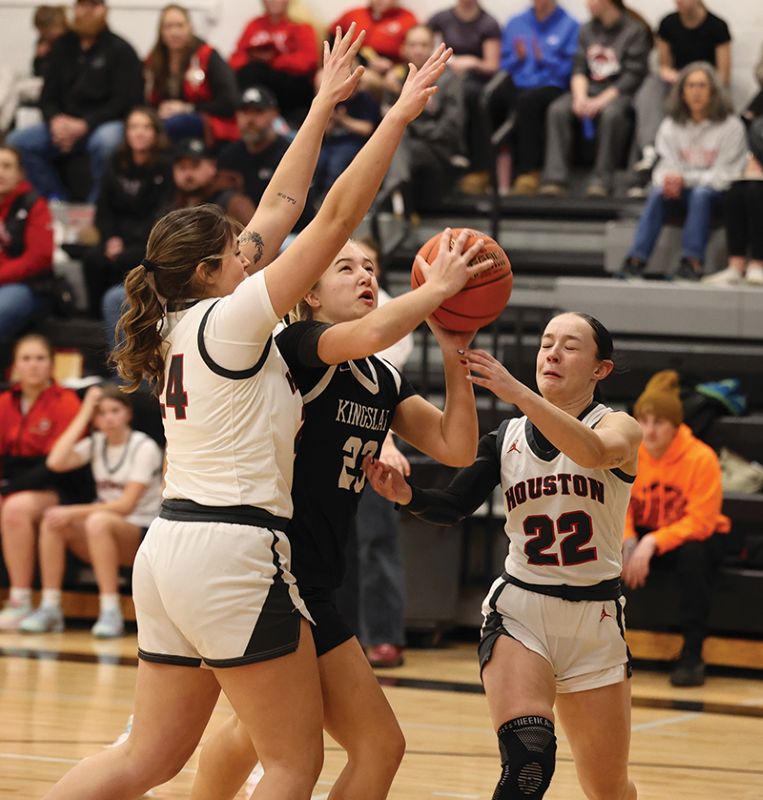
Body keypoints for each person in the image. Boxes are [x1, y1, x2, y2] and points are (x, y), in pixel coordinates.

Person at [40, 30, 453, 800]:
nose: (255, 254)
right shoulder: (230, 319)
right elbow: (327, 220)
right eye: (240, 253)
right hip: (232, 549)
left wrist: (323, 106)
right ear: (208, 272)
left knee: (146, 761)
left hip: (170, 550)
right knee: (293, 763)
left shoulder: (176, 322)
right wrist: (393, 118)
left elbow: (280, 204)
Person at [190, 229, 485, 800]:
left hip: (315, 580)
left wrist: (455, 350)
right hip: (270, 572)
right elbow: (375, 332)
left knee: (262, 734)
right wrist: (439, 290)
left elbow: (456, 447)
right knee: (354, 746)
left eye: (371, 266)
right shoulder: (299, 346)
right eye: (345, 268)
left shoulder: (381, 379)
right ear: (313, 294)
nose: (365, 275)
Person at [365, 311, 642, 800]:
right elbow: (452, 506)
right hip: (522, 610)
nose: (552, 353)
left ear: (601, 369)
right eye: (545, 342)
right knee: (527, 761)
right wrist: (408, 496)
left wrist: (519, 394)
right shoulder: (506, 439)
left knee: (609, 788)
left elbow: (593, 453)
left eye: (570, 346)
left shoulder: (620, 427)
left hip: (595, 619)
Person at [19, 383, 163, 638]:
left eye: (114, 410)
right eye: (101, 413)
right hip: (103, 534)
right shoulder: (96, 443)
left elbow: (125, 505)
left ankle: (111, 611)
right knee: (53, 521)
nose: (108, 418)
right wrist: (84, 412)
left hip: (142, 536)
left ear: (128, 413)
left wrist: (73, 512)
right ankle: (50, 607)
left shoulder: (144, 447)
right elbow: (55, 462)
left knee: (97, 520)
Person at [622, 370, 730, 687]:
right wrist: (628, 537)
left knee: (695, 555)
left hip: (693, 538)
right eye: (643, 420)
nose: (650, 430)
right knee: (605, 546)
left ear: (676, 425)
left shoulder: (701, 458)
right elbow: (619, 503)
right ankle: (604, 651)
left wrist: (653, 541)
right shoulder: (630, 453)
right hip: (645, 535)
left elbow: (702, 521)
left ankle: (692, 655)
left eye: (659, 422)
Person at [100, 135, 254, 350]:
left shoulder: (233, 202)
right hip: (178, 284)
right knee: (116, 298)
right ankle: (139, 377)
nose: (187, 173)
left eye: (194, 166)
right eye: (181, 167)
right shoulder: (169, 204)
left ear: (211, 167)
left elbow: (254, 251)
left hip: (217, 287)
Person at [619, 62, 746, 281]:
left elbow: (726, 175)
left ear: (713, 91)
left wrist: (684, 179)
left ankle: (692, 263)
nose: (696, 92)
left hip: (719, 197)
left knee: (701, 194)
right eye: (690, 86)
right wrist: (668, 180)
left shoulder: (731, 126)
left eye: (702, 86)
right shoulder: (671, 125)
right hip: (682, 192)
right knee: (658, 192)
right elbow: (663, 167)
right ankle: (635, 261)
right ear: (682, 92)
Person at [6, 0, 144, 203]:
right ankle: (54, 200)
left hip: (102, 124)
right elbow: (47, 96)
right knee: (17, 142)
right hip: (63, 123)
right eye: (82, 5)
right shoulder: (62, 47)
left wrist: (85, 124)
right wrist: (55, 120)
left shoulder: (121, 50)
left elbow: (124, 102)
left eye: (93, 5)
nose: (87, 11)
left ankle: (95, 207)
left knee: (107, 141)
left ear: (104, 10)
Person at [0, 334, 81, 632]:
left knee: (15, 508)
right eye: (26, 359)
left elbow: (55, 466)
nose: (33, 366)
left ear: (51, 364)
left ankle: (19, 600)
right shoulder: (6, 402)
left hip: (59, 485)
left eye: (40, 358)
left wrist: (8, 490)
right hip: (16, 481)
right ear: (15, 366)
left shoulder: (66, 401)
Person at [540, 0, 651, 197]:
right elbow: (579, 68)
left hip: (619, 93)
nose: (587, 3)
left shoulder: (635, 30)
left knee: (612, 114)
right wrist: (580, 97)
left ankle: (602, 180)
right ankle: (555, 179)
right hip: (588, 89)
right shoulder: (587, 29)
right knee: (557, 109)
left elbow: (633, 76)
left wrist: (600, 101)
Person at [82, 107, 173, 318]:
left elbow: (162, 214)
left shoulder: (165, 166)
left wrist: (127, 241)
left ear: (156, 133)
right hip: (116, 235)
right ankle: (94, 320)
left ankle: (132, 318)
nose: (139, 132)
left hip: (147, 239)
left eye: (146, 127)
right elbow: (104, 207)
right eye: (134, 127)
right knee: (93, 260)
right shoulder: (115, 161)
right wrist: (111, 237)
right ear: (126, 133)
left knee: (128, 259)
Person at [632, 0, 732, 186]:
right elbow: (663, 66)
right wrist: (679, 78)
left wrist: (698, 81)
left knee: (698, 85)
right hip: (677, 85)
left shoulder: (717, 26)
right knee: (650, 85)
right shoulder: (668, 23)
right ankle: (649, 150)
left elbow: (723, 76)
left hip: (706, 83)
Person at [494, 0, 579, 194]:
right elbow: (504, 63)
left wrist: (545, 58)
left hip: (552, 85)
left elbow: (572, 68)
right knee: (490, 99)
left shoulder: (569, 24)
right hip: (519, 83)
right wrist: (519, 57)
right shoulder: (516, 22)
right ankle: (485, 171)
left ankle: (528, 172)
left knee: (528, 102)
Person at [380, 25, 464, 213]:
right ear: (404, 48)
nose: (418, 50)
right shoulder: (396, 78)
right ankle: (396, 192)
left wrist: (413, 125)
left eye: (423, 45)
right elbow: (385, 116)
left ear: (432, 47)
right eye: (413, 44)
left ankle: (394, 191)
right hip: (405, 142)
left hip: (437, 147)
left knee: (397, 140)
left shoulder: (449, 79)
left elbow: (451, 128)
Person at [427, 0, 501, 194]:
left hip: (477, 82)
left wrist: (473, 62)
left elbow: (492, 65)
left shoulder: (487, 23)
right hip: (446, 77)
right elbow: (424, 42)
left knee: (469, 97)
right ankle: (444, 153)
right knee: (436, 94)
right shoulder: (441, 18)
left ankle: (475, 164)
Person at [217, 86, 315, 227]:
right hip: (244, 238)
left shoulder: (291, 153)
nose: (250, 120)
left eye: (258, 112)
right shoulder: (228, 155)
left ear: (274, 114)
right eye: (245, 112)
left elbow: (296, 209)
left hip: (293, 234)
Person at [145, 3, 239, 145]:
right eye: (168, 26)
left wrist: (187, 108)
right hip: (166, 117)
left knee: (173, 124)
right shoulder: (155, 60)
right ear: (161, 31)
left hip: (208, 120)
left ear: (190, 27)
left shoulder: (208, 56)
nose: (174, 32)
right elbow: (149, 98)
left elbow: (229, 102)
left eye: (180, 25)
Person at [229, 0, 318, 124]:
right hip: (259, 81)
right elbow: (235, 60)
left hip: (290, 85)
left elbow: (308, 61)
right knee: (248, 73)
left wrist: (274, 60)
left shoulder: (299, 26)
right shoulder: (254, 25)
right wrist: (256, 58)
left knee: (257, 73)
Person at [0, 145, 55, 338]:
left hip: (29, 287)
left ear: (20, 173)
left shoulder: (34, 205)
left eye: (7, 166)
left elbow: (39, 259)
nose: (1, 172)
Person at [0, 5, 68, 134]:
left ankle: (2, 129)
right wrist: (39, 58)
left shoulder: (68, 41)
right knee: (7, 72)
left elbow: (57, 75)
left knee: (17, 89)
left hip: (53, 85)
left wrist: (50, 56)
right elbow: (37, 70)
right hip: (38, 80)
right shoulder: (44, 41)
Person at [329, 0, 418, 97]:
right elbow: (331, 40)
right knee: (323, 77)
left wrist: (395, 70)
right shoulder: (353, 14)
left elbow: (415, 57)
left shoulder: (409, 20)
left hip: (387, 74)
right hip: (352, 63)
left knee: (363, 79)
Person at [313, 79, 380, 200]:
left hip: (353, 142)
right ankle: (312, 203)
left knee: (336, 166)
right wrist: (331, 119)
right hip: (331, 142)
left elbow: (366, 129)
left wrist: (343, 120)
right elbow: (324, 132)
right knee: (316, 165)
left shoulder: (365, 100)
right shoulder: (335, 99)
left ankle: (330, 202)